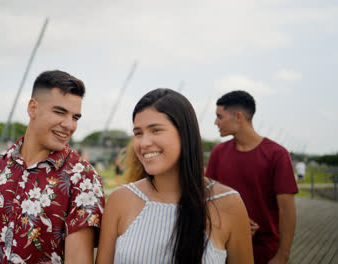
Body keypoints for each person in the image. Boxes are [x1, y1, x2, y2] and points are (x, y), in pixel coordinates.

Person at [0, 70, 105, 264]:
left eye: (75, 117)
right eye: (60, 112)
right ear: (32, 108)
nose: (69, 125)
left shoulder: (83, 178)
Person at [97, 88, 253, 264]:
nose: (144, 143)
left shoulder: (229, 203)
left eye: (155, 130)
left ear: (184, 134)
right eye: (138, 133)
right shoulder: (120, 200)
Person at [206, 90, 298, 264]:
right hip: (220, 249)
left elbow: (287, 210)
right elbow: (208, 198)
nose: (216, 122)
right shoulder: (218, 153)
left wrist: (282, 255)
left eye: (220, 116)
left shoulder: (277, 155)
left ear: (238, 116)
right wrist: (236, 220)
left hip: (264, 253)